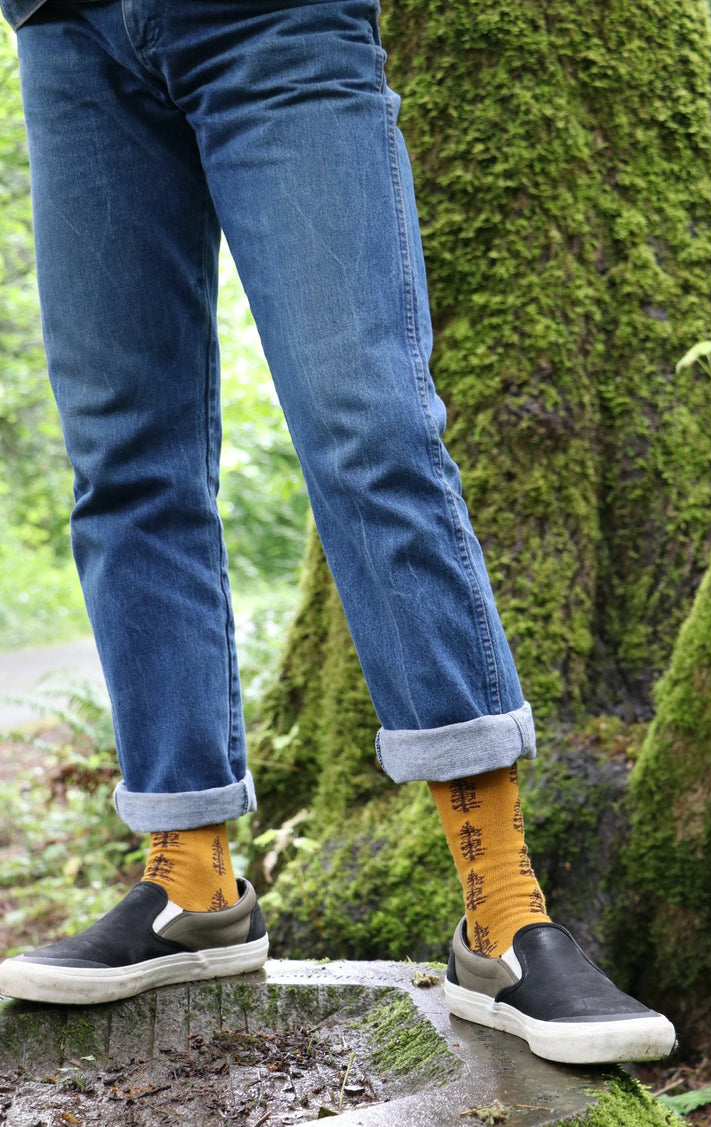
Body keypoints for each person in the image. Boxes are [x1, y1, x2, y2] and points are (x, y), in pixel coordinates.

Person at [0, 0, 675, 1065]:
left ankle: (499, 910)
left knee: (372, 430)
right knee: (124, 461)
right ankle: (193, 879)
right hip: (70, 27)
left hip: (274, 19)